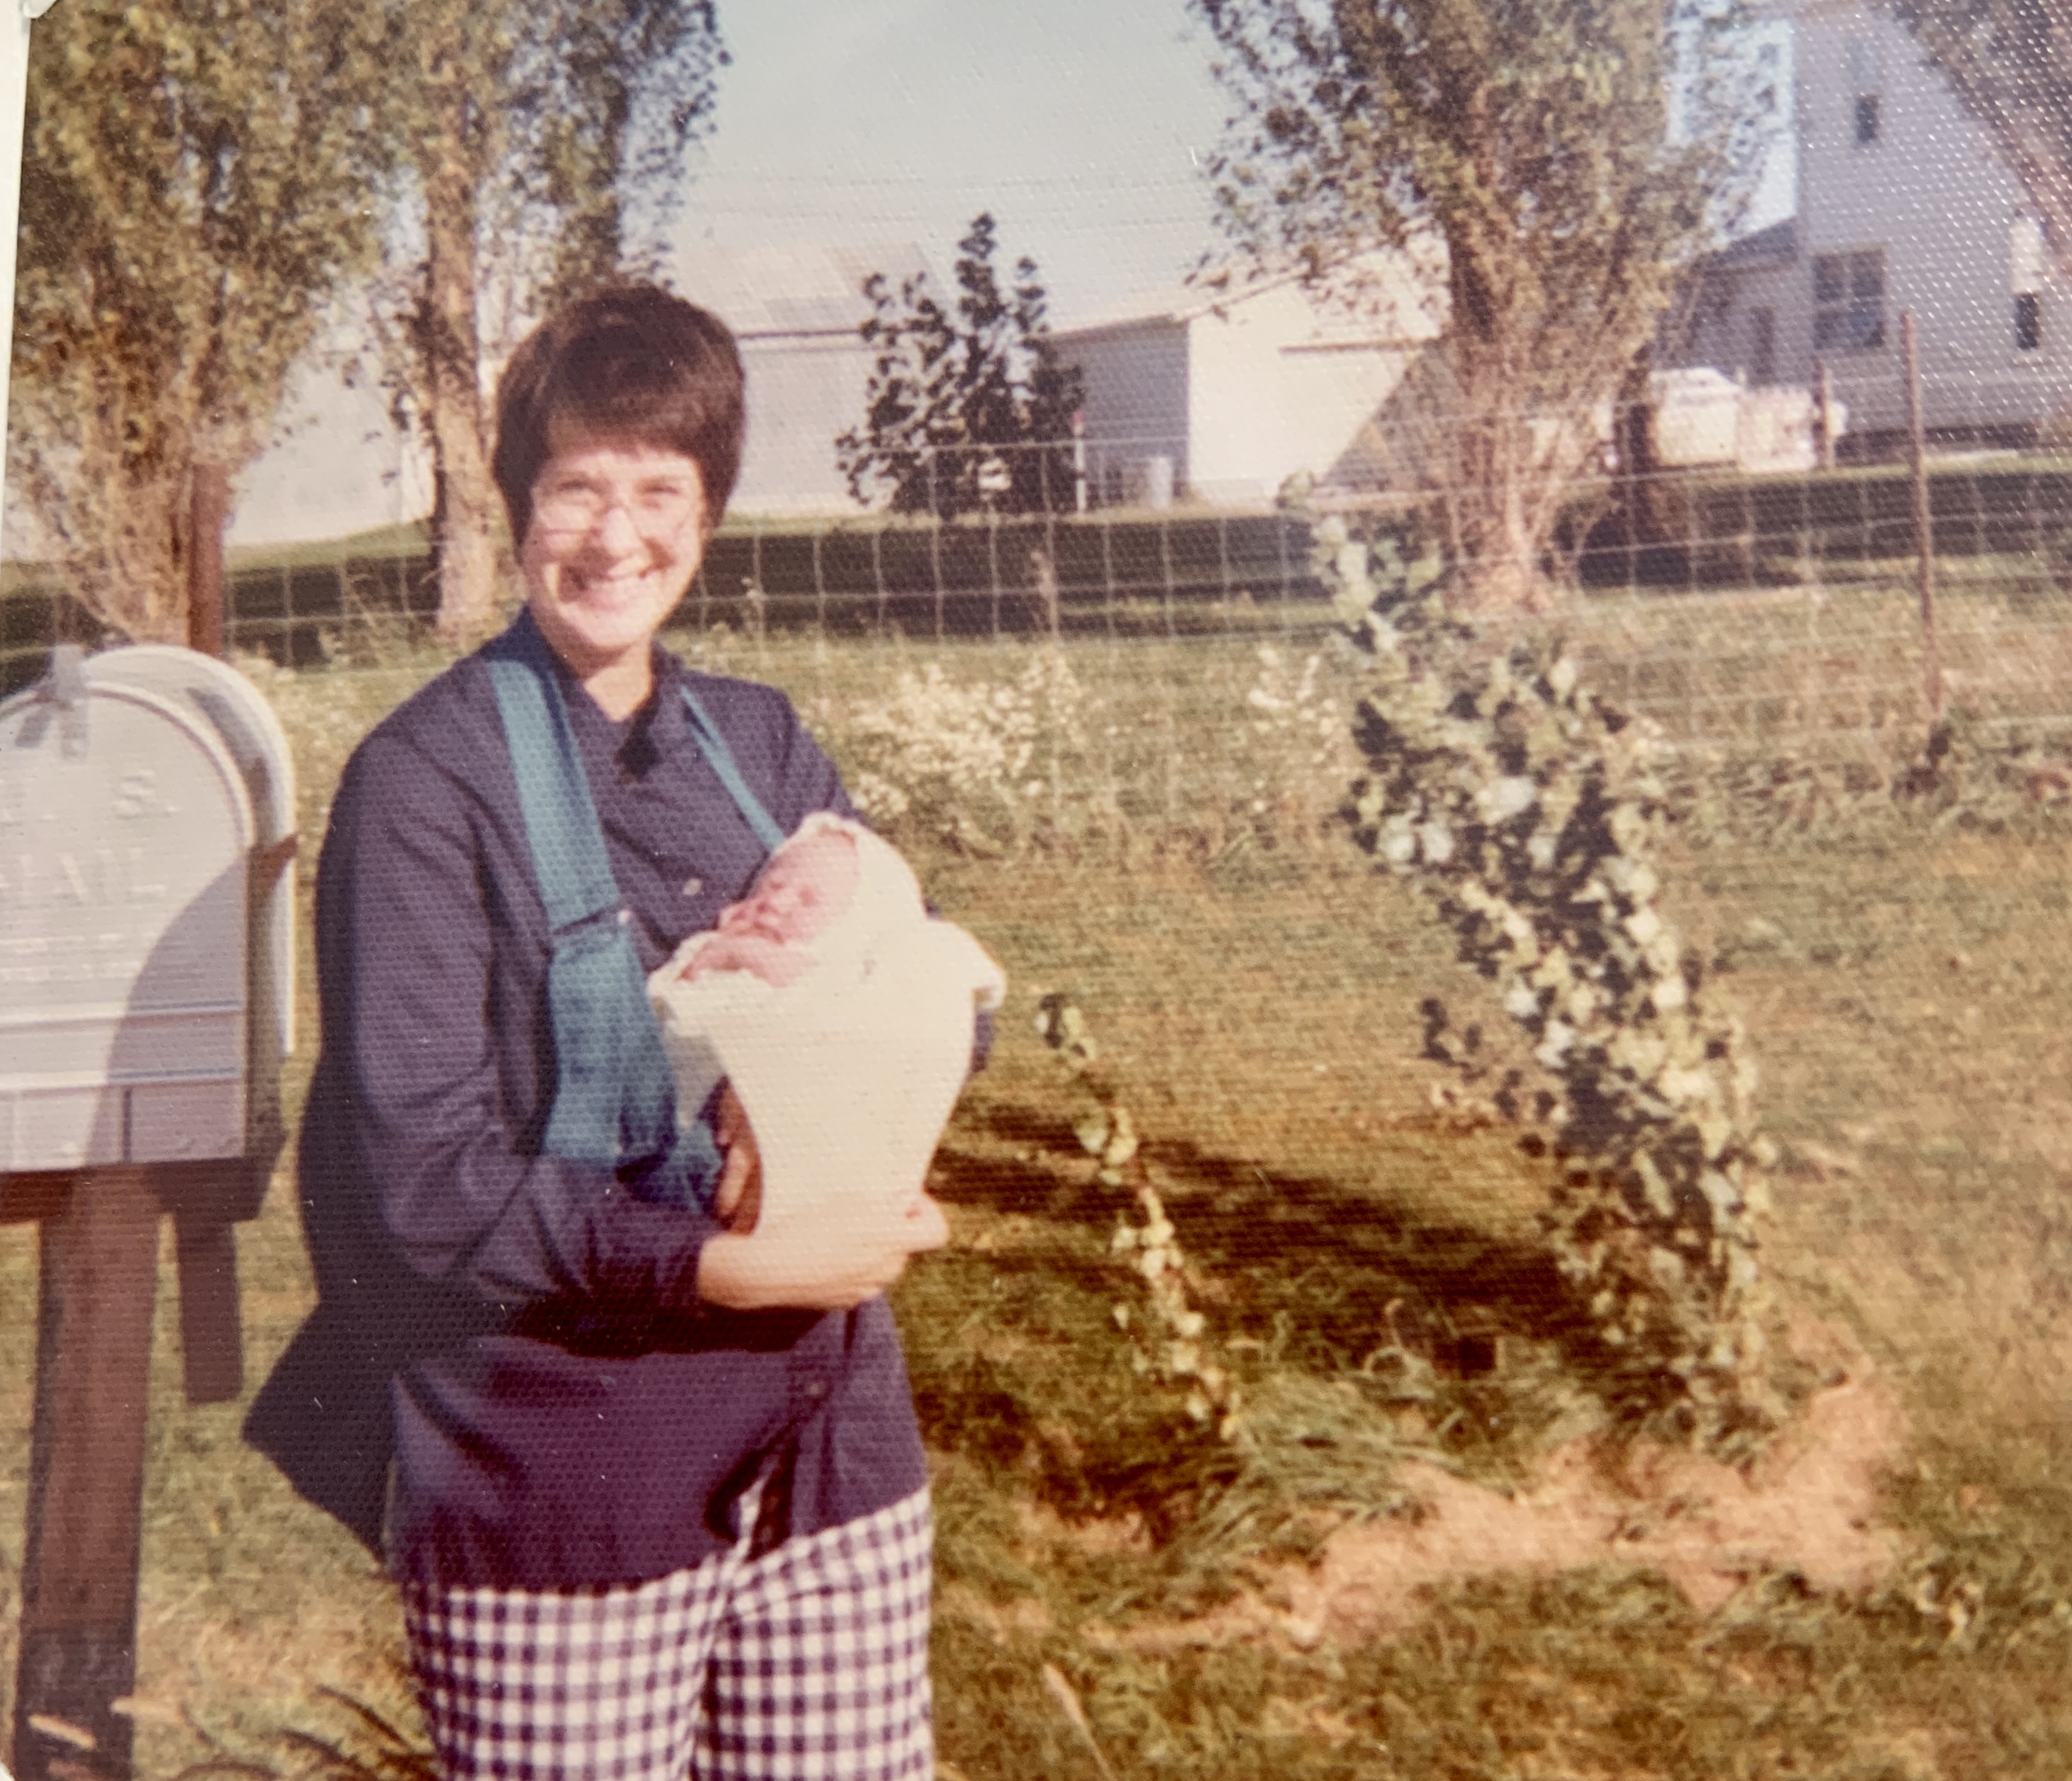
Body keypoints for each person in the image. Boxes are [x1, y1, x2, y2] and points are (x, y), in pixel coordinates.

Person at [247, 284, 947, 1781]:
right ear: (518, 503)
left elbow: (924, 982)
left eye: (659, 491)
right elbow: (426, 1187)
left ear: (709, 513)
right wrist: (718, 1263)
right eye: (577, 488)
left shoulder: (761, 743)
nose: (616, 536)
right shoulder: (424, 785)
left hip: (827, 1453)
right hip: (563, 1480)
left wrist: (826, 1101)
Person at [648, 813, 1005, 1239]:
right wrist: (714, 950)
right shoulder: (717, 942)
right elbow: (666, 995)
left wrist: (746, 954)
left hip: (722, 1144)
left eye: (808, 900)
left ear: (848, 926)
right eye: (772, 886)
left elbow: (817, 1000)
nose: (778, 902)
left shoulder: (826, 970)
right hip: (666, 1120)